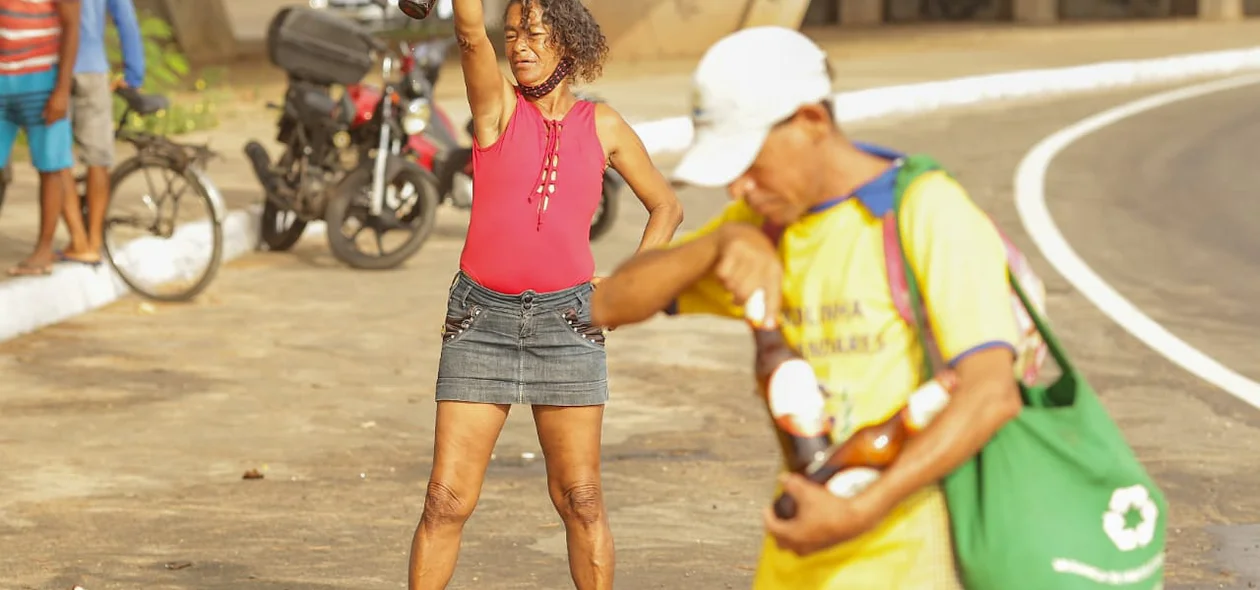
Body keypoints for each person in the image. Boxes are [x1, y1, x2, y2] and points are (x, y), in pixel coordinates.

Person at [590, 27, 1023, 589]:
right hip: (793, 562)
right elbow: (609, 303)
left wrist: (863, 510)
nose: (738, 188)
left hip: (909, 562)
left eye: (750, 161)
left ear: (812, 122)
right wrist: (719, 244)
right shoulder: (764, 225)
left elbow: (991, 393)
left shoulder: (923, 210)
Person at [406, 1, 683, 589]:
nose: (520, 46)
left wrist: (636, 271)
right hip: (481, 321)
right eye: (513, 36)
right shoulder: (496, 109)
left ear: (568, 43)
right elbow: (467, 32)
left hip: (570, 326)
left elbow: (666, 205)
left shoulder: (602, 123)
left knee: (581, 500)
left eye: (534, 34)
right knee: (445, 501)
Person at [56, 0, 144, 266]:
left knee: (56, 157)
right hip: (93, 70)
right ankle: (94, 241)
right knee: (98, 159)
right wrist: (134, 73)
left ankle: (78, 240)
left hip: (54, 67)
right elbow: (125, 18)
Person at [1, 0, 81, 276]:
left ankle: (43, 250)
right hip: (2, 82)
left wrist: (61, 89)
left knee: (50, 167)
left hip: (42, 83)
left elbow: (72, 27)